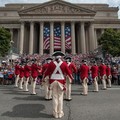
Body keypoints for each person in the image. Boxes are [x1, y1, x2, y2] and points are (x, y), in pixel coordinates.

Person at [43, 51, 73, 119]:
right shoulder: (64, 63)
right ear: (61, 57)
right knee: (60, 98)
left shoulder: (51, 64)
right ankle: (60, 112)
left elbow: (47, 72)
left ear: (55, 57)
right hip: (61, 82)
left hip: (53, 81)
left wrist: (44, 78)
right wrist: (71, 78)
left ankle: (55, 113)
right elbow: (68, 72)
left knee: (55, 98)